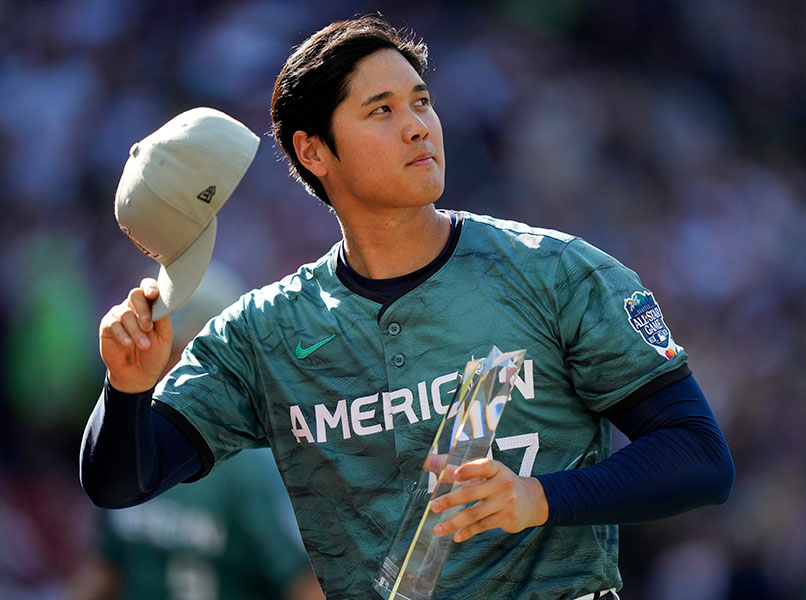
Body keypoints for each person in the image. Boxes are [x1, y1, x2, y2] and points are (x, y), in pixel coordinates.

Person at [81, 15, 735, 599]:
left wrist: (538, 498)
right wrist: (128, 390)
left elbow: (699, 456)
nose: (418, 125)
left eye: (422, 102)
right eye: (382, 110)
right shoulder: (263, 334)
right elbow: (118, 484)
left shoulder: (556, 272)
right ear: (314, 151)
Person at [70, 265, 325, 600]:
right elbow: (104, 567)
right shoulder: (128, 447)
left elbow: (306, 585)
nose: (159, 363)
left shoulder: (253, 470)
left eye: (175, 350)